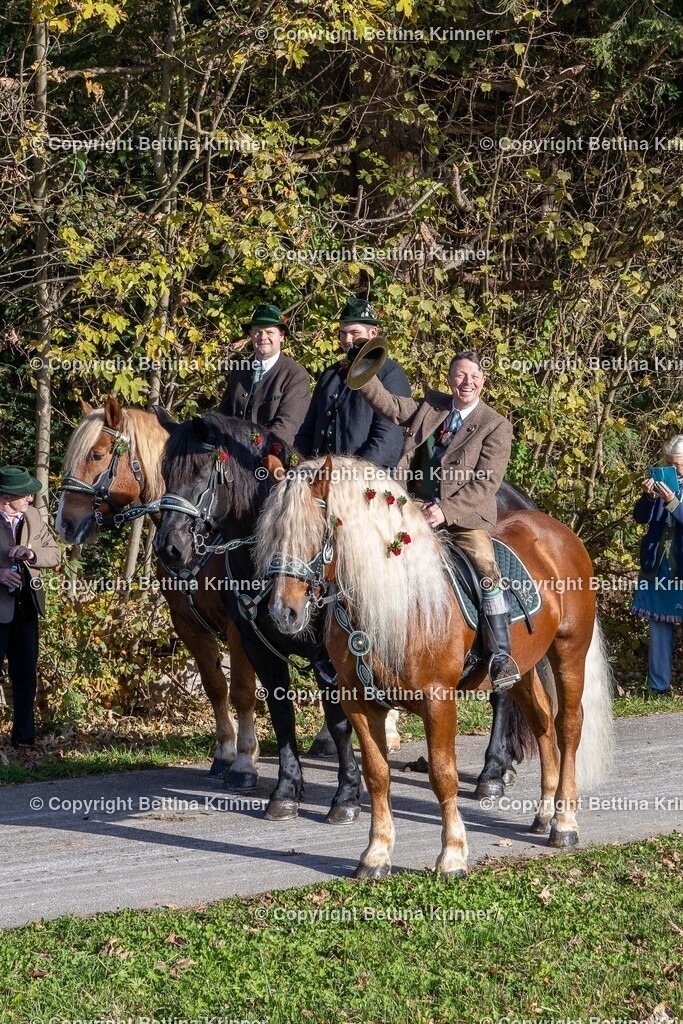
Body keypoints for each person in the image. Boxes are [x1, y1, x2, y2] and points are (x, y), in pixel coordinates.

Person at [358, 350, 520, 689]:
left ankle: (501, 656)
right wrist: (361, 371)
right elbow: (388, 404)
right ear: (450, 378)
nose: (467, 382)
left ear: (483, 381)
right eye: (460, 375)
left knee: (485, 566)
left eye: (474, 376)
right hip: (409, 509)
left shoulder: (496, 425)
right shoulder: (430, 408)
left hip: (462, 519)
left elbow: (486, 483)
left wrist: (446, 510)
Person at [295, 298, 411, 468]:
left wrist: (353, 475)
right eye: (342, 333)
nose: (347, 339)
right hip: (322, 475)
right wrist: (296, 463)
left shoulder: (391, 373)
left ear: (373, 334)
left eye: (354, 333)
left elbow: (386, 438)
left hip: (370, 477)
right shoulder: (330, 374)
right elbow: (309, 428)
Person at [0, 466, 61, 746]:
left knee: (25, 676)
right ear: (6, 496)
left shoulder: (34, 516)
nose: (30, 500)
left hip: (26, 608)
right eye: (24, 495)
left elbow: (55, 552)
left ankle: (24, 740)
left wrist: (32, 553)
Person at [631, 435, 683, 697]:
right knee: (659, 630)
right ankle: (658, 688)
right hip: (659, 566)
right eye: (670, 464)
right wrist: (649, 498)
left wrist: (673, 502)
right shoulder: (662, 482)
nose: (674, 470)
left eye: (679, 465)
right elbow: (640, 518)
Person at [218, 303, 311, 446]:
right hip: (233, 455)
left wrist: (251, 449)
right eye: (257, 331)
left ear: (281, 336)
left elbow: (286, 427)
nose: (263, 337)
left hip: (275, 458)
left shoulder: (295, 375)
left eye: (269, 332)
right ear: (250, 335)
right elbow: (223, 416)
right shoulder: (240, 370)